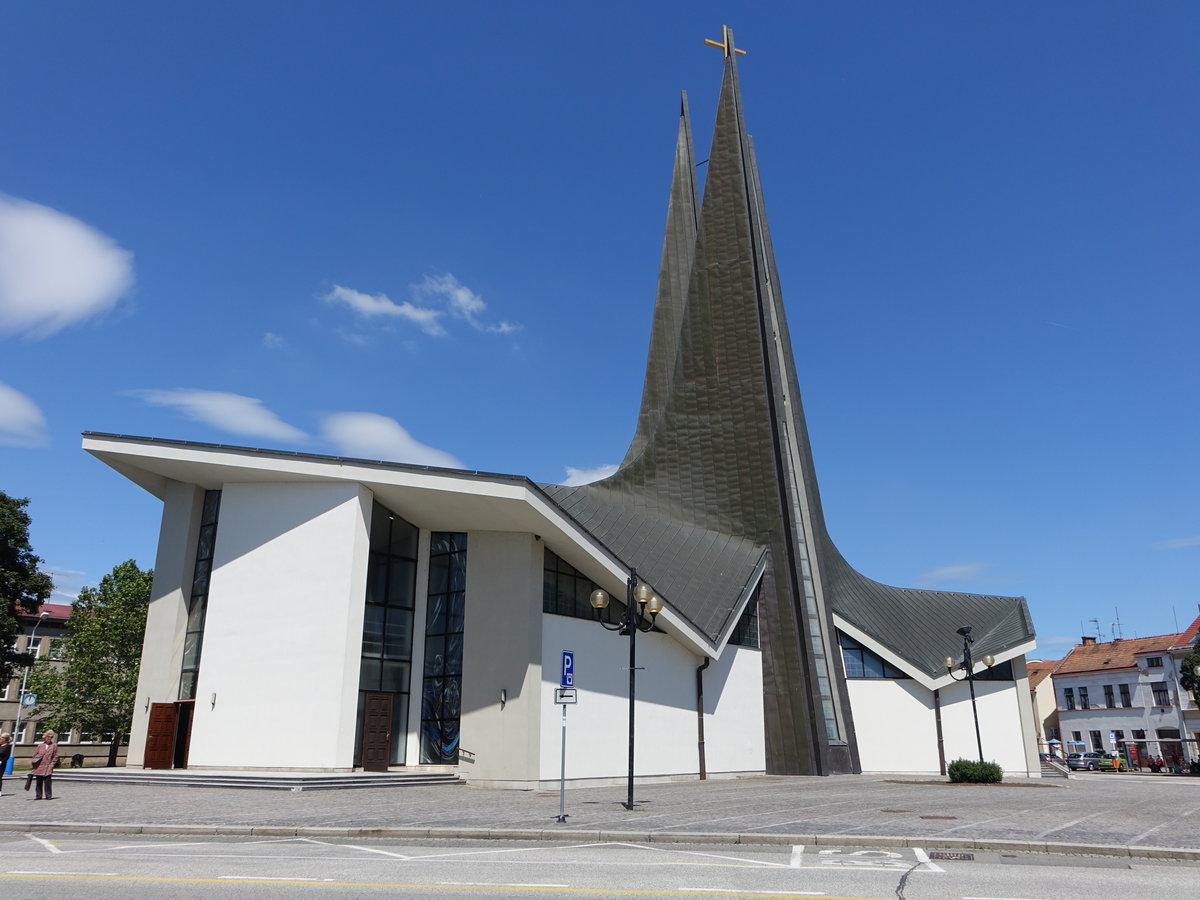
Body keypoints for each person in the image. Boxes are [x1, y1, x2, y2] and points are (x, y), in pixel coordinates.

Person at [30, 730, 58, 800]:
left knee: (47, 781)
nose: (49, 738)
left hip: (48, 765)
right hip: (39, 765)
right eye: (48, 736)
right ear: (45, 737)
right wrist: (32, 765)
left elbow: (55, 756)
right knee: (39, 781)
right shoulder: (40, 745)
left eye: (51, 737)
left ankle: (48, 795)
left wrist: (52, 764)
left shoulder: (54, 745)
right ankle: (38, 795)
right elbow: (35, 755)